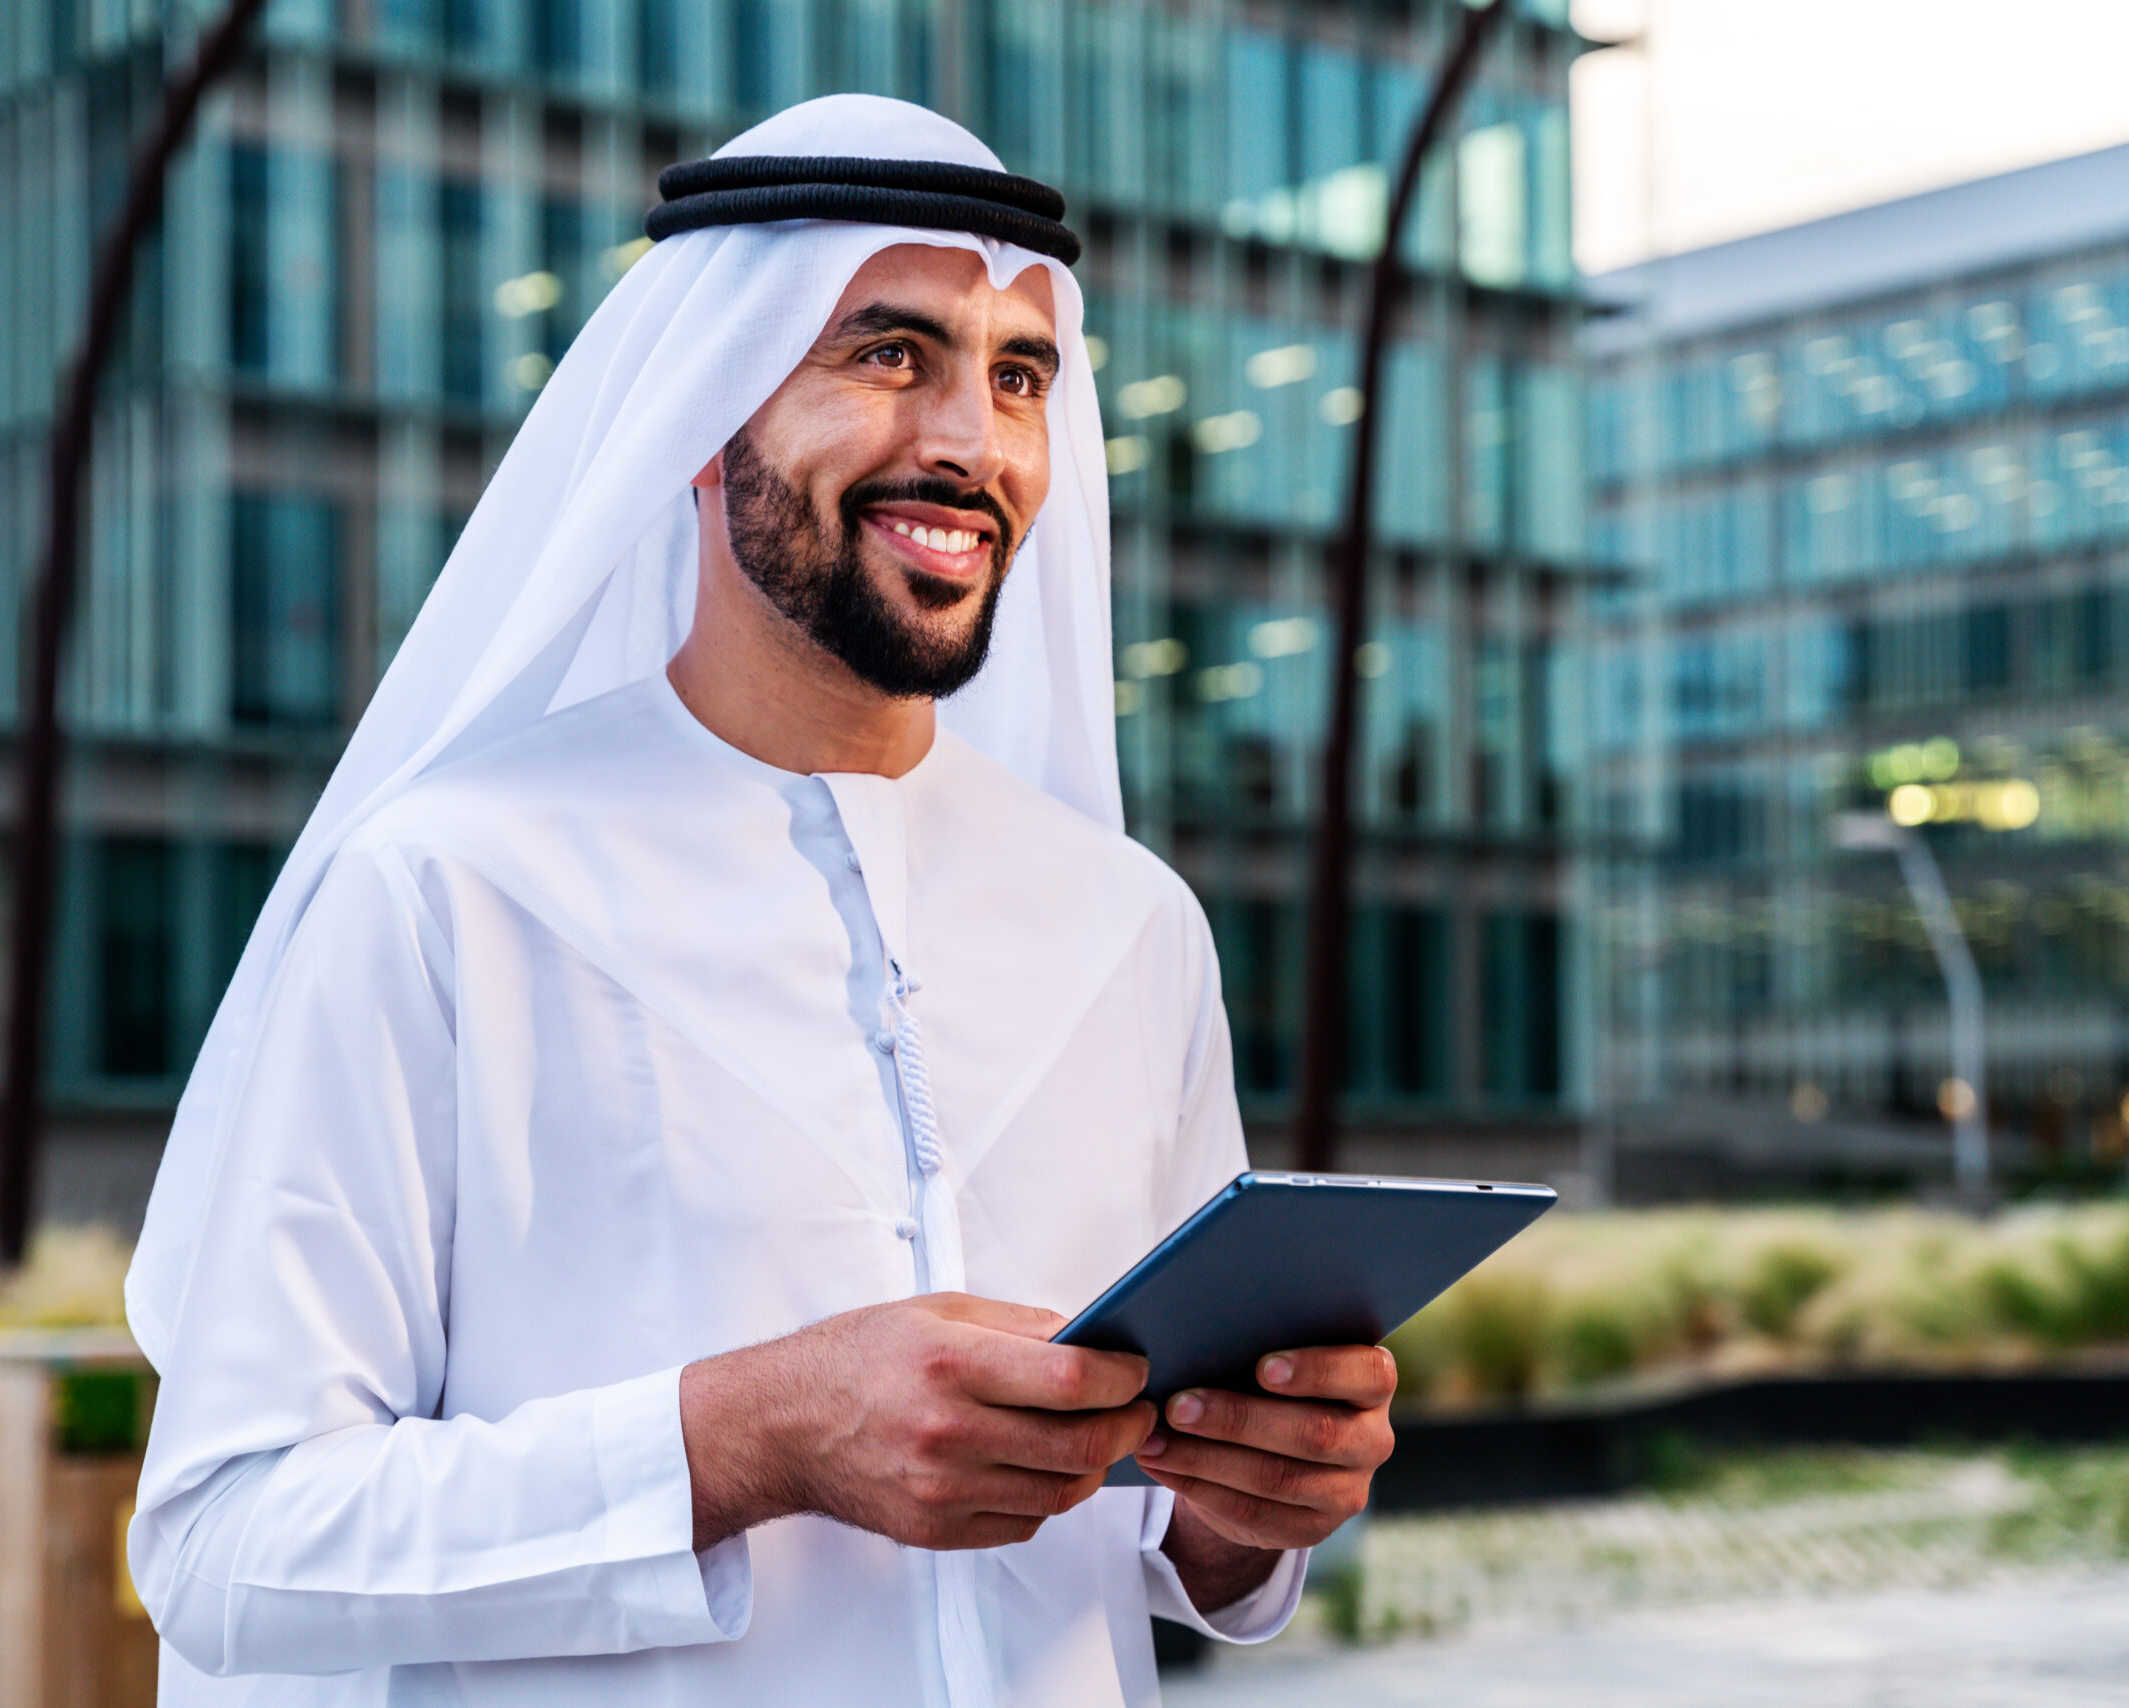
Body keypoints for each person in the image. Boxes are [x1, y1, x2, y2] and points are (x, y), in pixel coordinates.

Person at [126, 94, 1395, 1708]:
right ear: (710, 412)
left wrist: (1246, 1506)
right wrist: (750, 1435)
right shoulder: (447, 888)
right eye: (889, 355)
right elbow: (229, 1542)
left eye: (1018, 378)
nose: (972, 443)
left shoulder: (1133, 928)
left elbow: (1167, 1545)